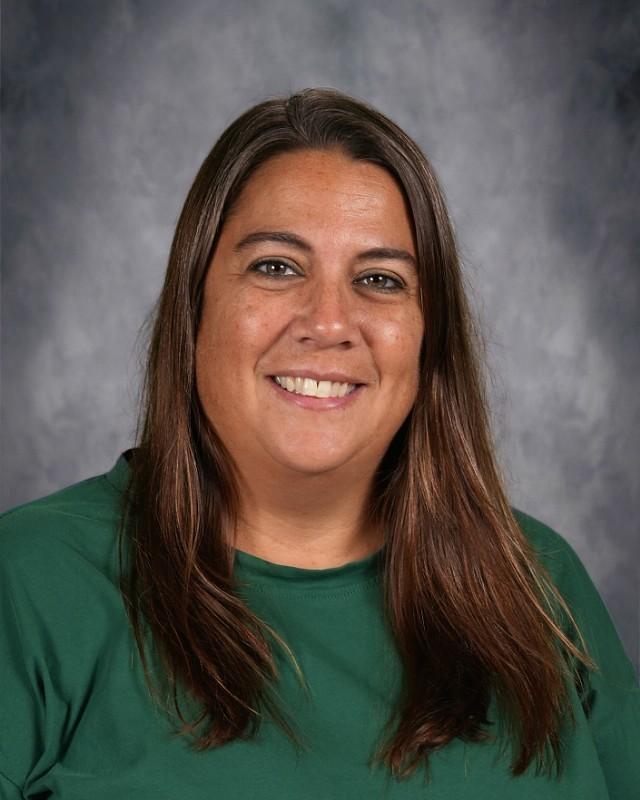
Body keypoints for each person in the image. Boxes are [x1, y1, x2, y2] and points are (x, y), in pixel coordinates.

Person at [0, 88, 637, 800]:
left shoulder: (537, 585)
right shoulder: (29, 585)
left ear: (430, 339)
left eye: (378, 279)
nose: (329, 321)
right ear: (195, 305)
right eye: (277, 266)